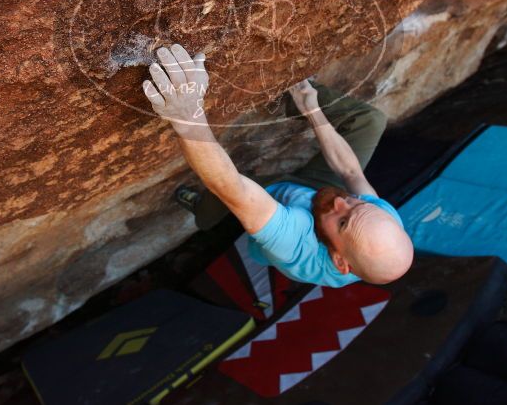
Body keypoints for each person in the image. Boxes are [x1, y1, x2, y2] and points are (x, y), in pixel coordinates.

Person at [142, 44, 413, 287]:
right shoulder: (378, 223)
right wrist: (312, 109)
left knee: (229, 189)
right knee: (370, 121)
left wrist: (187, 115)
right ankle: (293, 94)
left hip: (285, 206)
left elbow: (233, 189)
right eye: (359, 204)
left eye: (343, 222)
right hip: (314, 195)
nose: (343, 202)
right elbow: (350, 173)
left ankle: (203, 212)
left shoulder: (297, 247)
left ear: (340, 261)